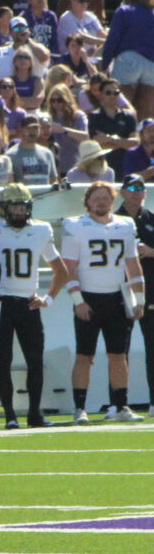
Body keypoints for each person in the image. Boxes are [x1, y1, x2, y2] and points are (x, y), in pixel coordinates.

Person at [0, 184, 67, 429]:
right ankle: (9, 416)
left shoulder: (40, 230)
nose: (19, 212)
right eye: (14, 207)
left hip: (29, 303)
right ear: (3, 208)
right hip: (1, 304)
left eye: (22, 206)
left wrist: (47, 299)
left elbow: (61, 270)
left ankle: (34, 414)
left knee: (35, 360)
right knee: (4, 361)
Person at [62, 181, 146, 424]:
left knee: (118, 355)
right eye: (96, 197)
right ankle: (80, 408)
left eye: (105, 197)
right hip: (88, 297)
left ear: (112, 200)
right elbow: (69, 268)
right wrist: (78, 301)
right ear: (87, 201)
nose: (101, 202)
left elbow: (133, 264)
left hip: (117, 297)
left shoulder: (125, 225)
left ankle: (121, 406)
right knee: (84, 355)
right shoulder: (76, 225)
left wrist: (138, 298)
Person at [115, 174, 154, 417]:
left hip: (149, 291)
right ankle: (118, 404)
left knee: (152, 347)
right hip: (118, 291)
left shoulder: (151, 219)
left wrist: (151, 251)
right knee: (119, 351)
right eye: (131, 187)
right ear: (121, 192)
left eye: (140, 187)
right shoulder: (113, 220)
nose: (136, 191)